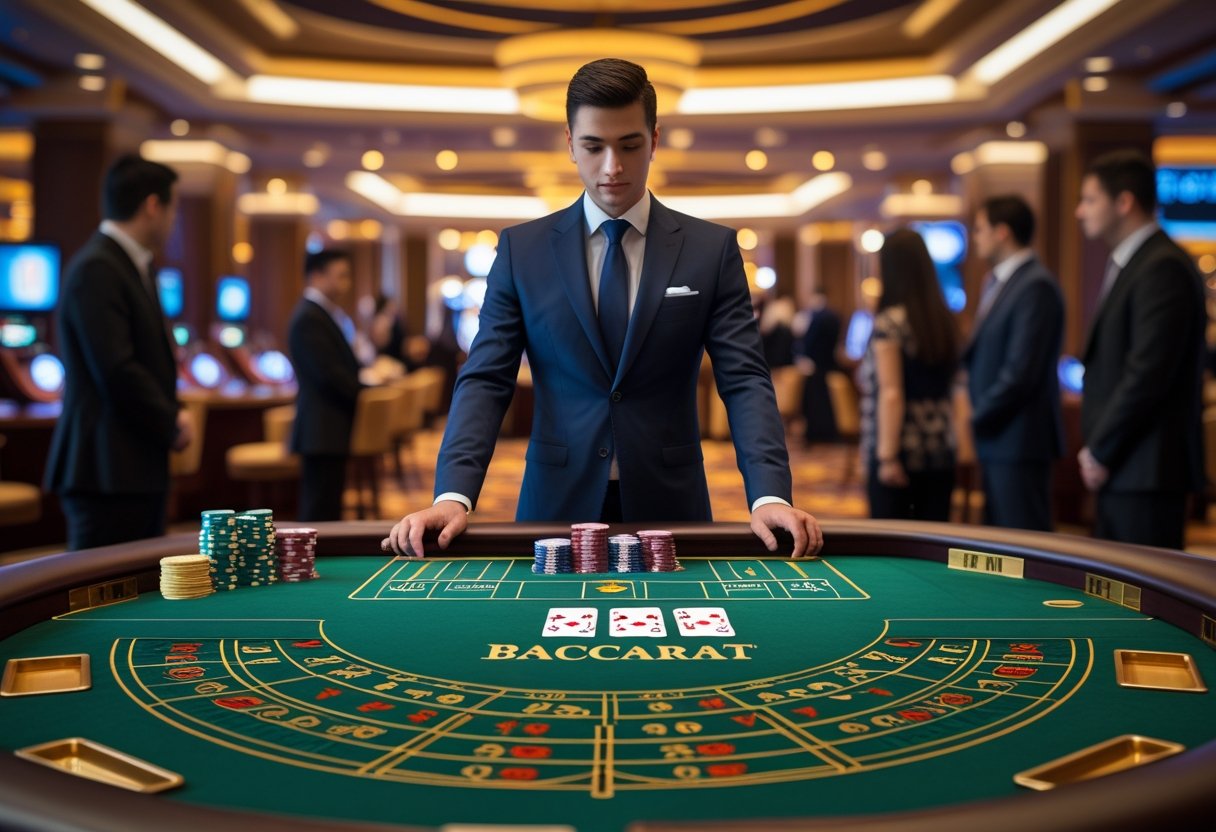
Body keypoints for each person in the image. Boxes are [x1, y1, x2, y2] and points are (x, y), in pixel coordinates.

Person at [384, 58, 821, 558]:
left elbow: (744, 379)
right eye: (594, 147)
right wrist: (453, 495)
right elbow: (486, 378)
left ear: (654, 140)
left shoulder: (711, 249)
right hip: (554, 505)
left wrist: (769, 495)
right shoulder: (522, 251)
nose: (612, 167)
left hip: (671, 504)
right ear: (570, 144)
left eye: (629, 146)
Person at [44, 154, 192, 550]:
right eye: (173, 207)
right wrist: (171, 419)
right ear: (152, 205)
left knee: (139, 584)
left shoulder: (133, 265)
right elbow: (116, 368)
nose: (174, 219)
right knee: (102, 586)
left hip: (131, 464)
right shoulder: (99, 267)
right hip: (104, 468)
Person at [1075, 149, 1206, 549]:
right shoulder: (1135, 262)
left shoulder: (1162, 265)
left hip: (1147, 469)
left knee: (1142, 586)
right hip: (1128, 468)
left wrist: (1100, 451)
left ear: (1124, 202)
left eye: (1090, 199)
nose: (1080, 211)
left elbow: (1148, 373)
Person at [963, 195, 1064, 531]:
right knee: (1000, 545)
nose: (975, 237)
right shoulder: (999, 281)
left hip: (1020, 439)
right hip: (1000, 437)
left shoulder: (1035, 285)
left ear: (1002, 232)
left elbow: (1021, 372)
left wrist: (975, 415)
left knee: (1024, 542)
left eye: (980, 229)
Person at [860, 228, 959, 521]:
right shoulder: (944, 320)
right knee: (934, 538)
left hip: (901, 450)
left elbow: (891, 393)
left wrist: (887, 457)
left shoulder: (890, 323)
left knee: (891, 541)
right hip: (941, 449)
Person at [288, 249, 364, 521]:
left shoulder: (323, 313)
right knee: (318, 511)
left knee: (329, 507)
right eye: (341, 275)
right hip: (320, 428)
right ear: (317, 275)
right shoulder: (309, 316)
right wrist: (364, 387)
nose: (347, 283)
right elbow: (328, 374)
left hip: (330, 427)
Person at [794, 288, 841, 445]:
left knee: (814, 402)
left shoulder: (817, 317)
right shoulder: (834, 316)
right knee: (824, 402)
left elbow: (809, 342)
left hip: (814, 367)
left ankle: (815, 434)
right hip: (828, 365)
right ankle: (826, 433)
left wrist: (804, 358)